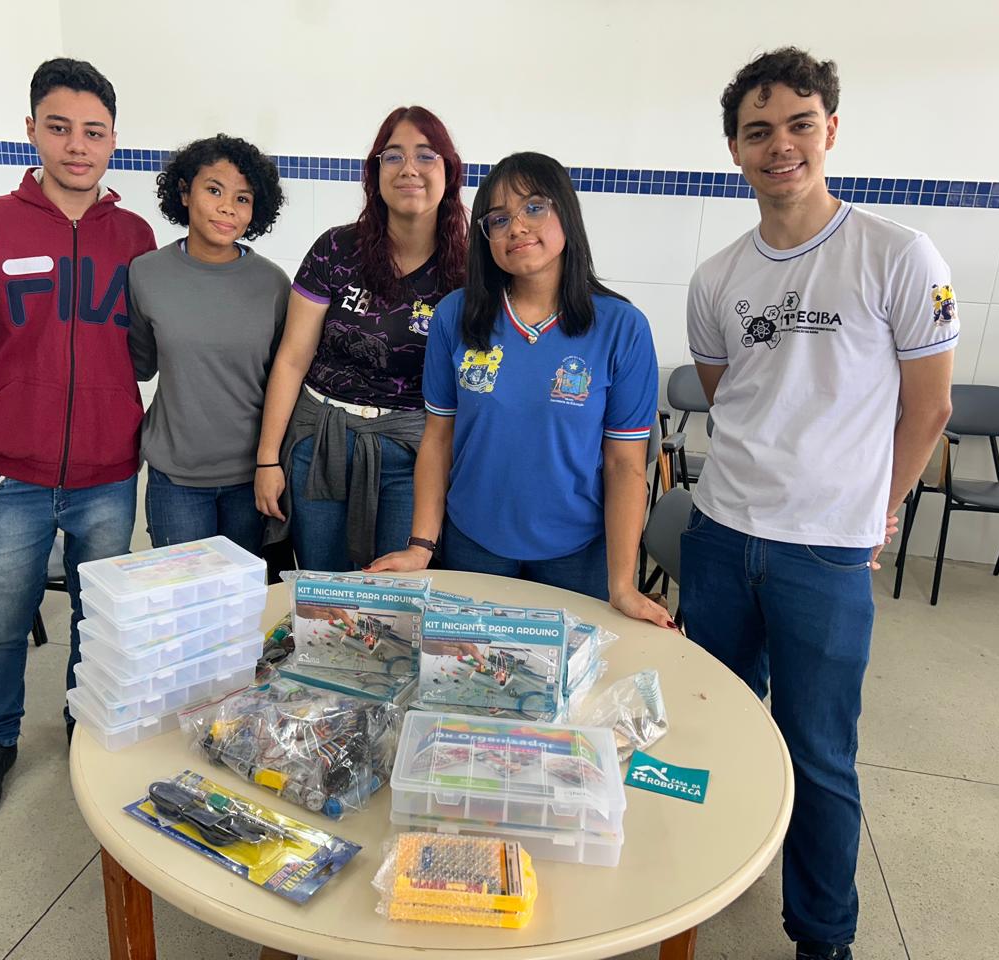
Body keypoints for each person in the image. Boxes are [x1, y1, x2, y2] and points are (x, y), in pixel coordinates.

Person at [681, 48, 957, 960]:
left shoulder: (898, 255)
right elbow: (730, 397)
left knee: (820, 754)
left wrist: (881, 506)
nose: (780, 146)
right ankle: (704, 878)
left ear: (830, 130)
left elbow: (930, 408)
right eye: (758, 132)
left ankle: (822, 935)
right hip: (721, 536)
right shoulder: (718, 276)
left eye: (799, 125)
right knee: (709, 727)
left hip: (825, 551)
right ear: (734, 148)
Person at [0, 58, 156, 823]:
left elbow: (150, 346)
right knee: (1, 620)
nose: (77, 146)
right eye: (59, 128)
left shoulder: (136, 236)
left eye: (94, 132)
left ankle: (83, 724)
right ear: (31, 130)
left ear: (114, 140)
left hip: (109, 474)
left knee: (98, 616)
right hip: (8, 475)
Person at [369, 152, 675, 629]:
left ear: (566, 213)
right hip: (474, 543)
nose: (516, 227)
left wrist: (621, 584)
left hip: (577, 553)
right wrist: (421, 546)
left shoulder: (622, 327)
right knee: (471, 668)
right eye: (498, 218)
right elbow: (437, 439)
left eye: (534, 207)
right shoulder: (456, 316)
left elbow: (625, 465)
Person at [254, 106, 467, 571]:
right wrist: (267, 459)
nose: (409, 168)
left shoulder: (468, 271)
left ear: (449, 172)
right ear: (375, 173)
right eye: (393, 156)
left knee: (396, 590)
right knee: (321, 588)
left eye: (425, 155)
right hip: (321, 441)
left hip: (411, 454)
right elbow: (292, 357)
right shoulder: (336, 249)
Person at [128, 135, 289, 553]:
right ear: (184, 192)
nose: (227, 208)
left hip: (252, 476)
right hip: (175, 478)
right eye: (214, 190)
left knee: (248, 593)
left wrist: (271, 462)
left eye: (242, 198)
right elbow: (141, 364)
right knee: (183, 593)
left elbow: (284, 381)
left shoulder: (273, 284)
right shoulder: (146, 274)